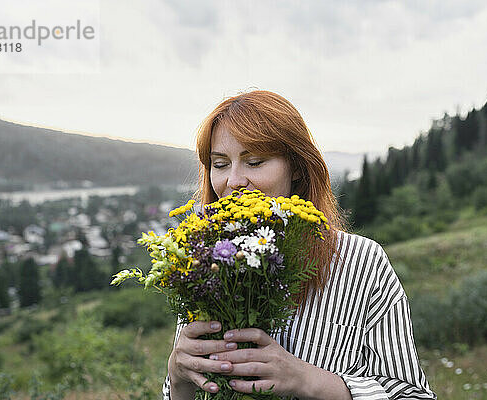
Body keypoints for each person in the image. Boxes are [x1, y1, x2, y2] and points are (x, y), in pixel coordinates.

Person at [163, 90, 436, 400]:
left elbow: (413, 395)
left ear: (296, 167)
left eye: (254, 161)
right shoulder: (205, 265)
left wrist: (306, 379)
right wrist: (178, 379)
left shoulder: (361, 262)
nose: (234, 180)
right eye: (220, 164)